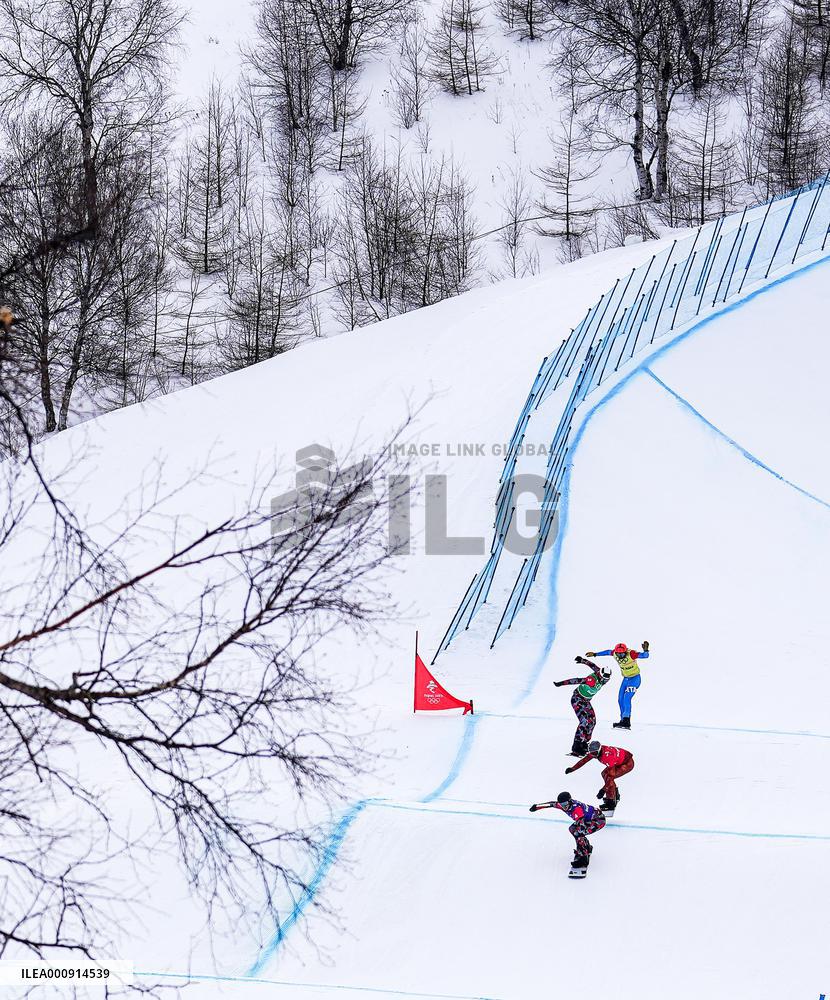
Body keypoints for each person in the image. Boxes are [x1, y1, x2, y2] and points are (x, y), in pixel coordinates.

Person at [529, 791, 606, 869]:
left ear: (570, 801)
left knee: (578, 832)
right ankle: (587, 848)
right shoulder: (564, 805)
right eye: (562, 804)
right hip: (590, 818)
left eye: (565, 804)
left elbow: (581, 826)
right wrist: (537, 806)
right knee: (572, 829)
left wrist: (581, 848)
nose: (564, 806)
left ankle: (583, 858)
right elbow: (551, 804)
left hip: (598, 820)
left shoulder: (576, 809)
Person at [584, 640, 650, 729]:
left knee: (627, 698)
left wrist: (646, 650)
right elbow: (607, 652)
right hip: (625, 679)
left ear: (625, 652)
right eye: (618, 654)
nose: (620, 656)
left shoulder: (631, 654)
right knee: (620, 699)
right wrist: (595, 654)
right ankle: (623, 720)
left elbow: (645, 656)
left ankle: (626, 721)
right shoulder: (615, 653)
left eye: (622, 654)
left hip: (634, 679)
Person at [554, 656, 611, 756]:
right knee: (584, 721)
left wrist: (582, 660)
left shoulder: (600, 672)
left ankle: (584, 743)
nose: (605, 682)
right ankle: (576, 746)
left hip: (586, 701)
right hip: (577, 699)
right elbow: (575, 680)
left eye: (607, 679)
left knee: (592, 721)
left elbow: (592, 665)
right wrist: (560, 684)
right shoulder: (591, 680)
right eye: (604, 679)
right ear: (600, 676)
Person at [565, 740, 635, 811]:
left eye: (594, 753)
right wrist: (572, 768)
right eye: (591, 753)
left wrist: (603, 790)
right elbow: (584, 760)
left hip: (627, 764)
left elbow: (611, 778)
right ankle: (614, 794)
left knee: (608, 777)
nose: (593, 755)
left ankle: (611, 803)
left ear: (599, 750)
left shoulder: (607, 757)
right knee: (604, 774)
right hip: (618, 761)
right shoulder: (595, 751)